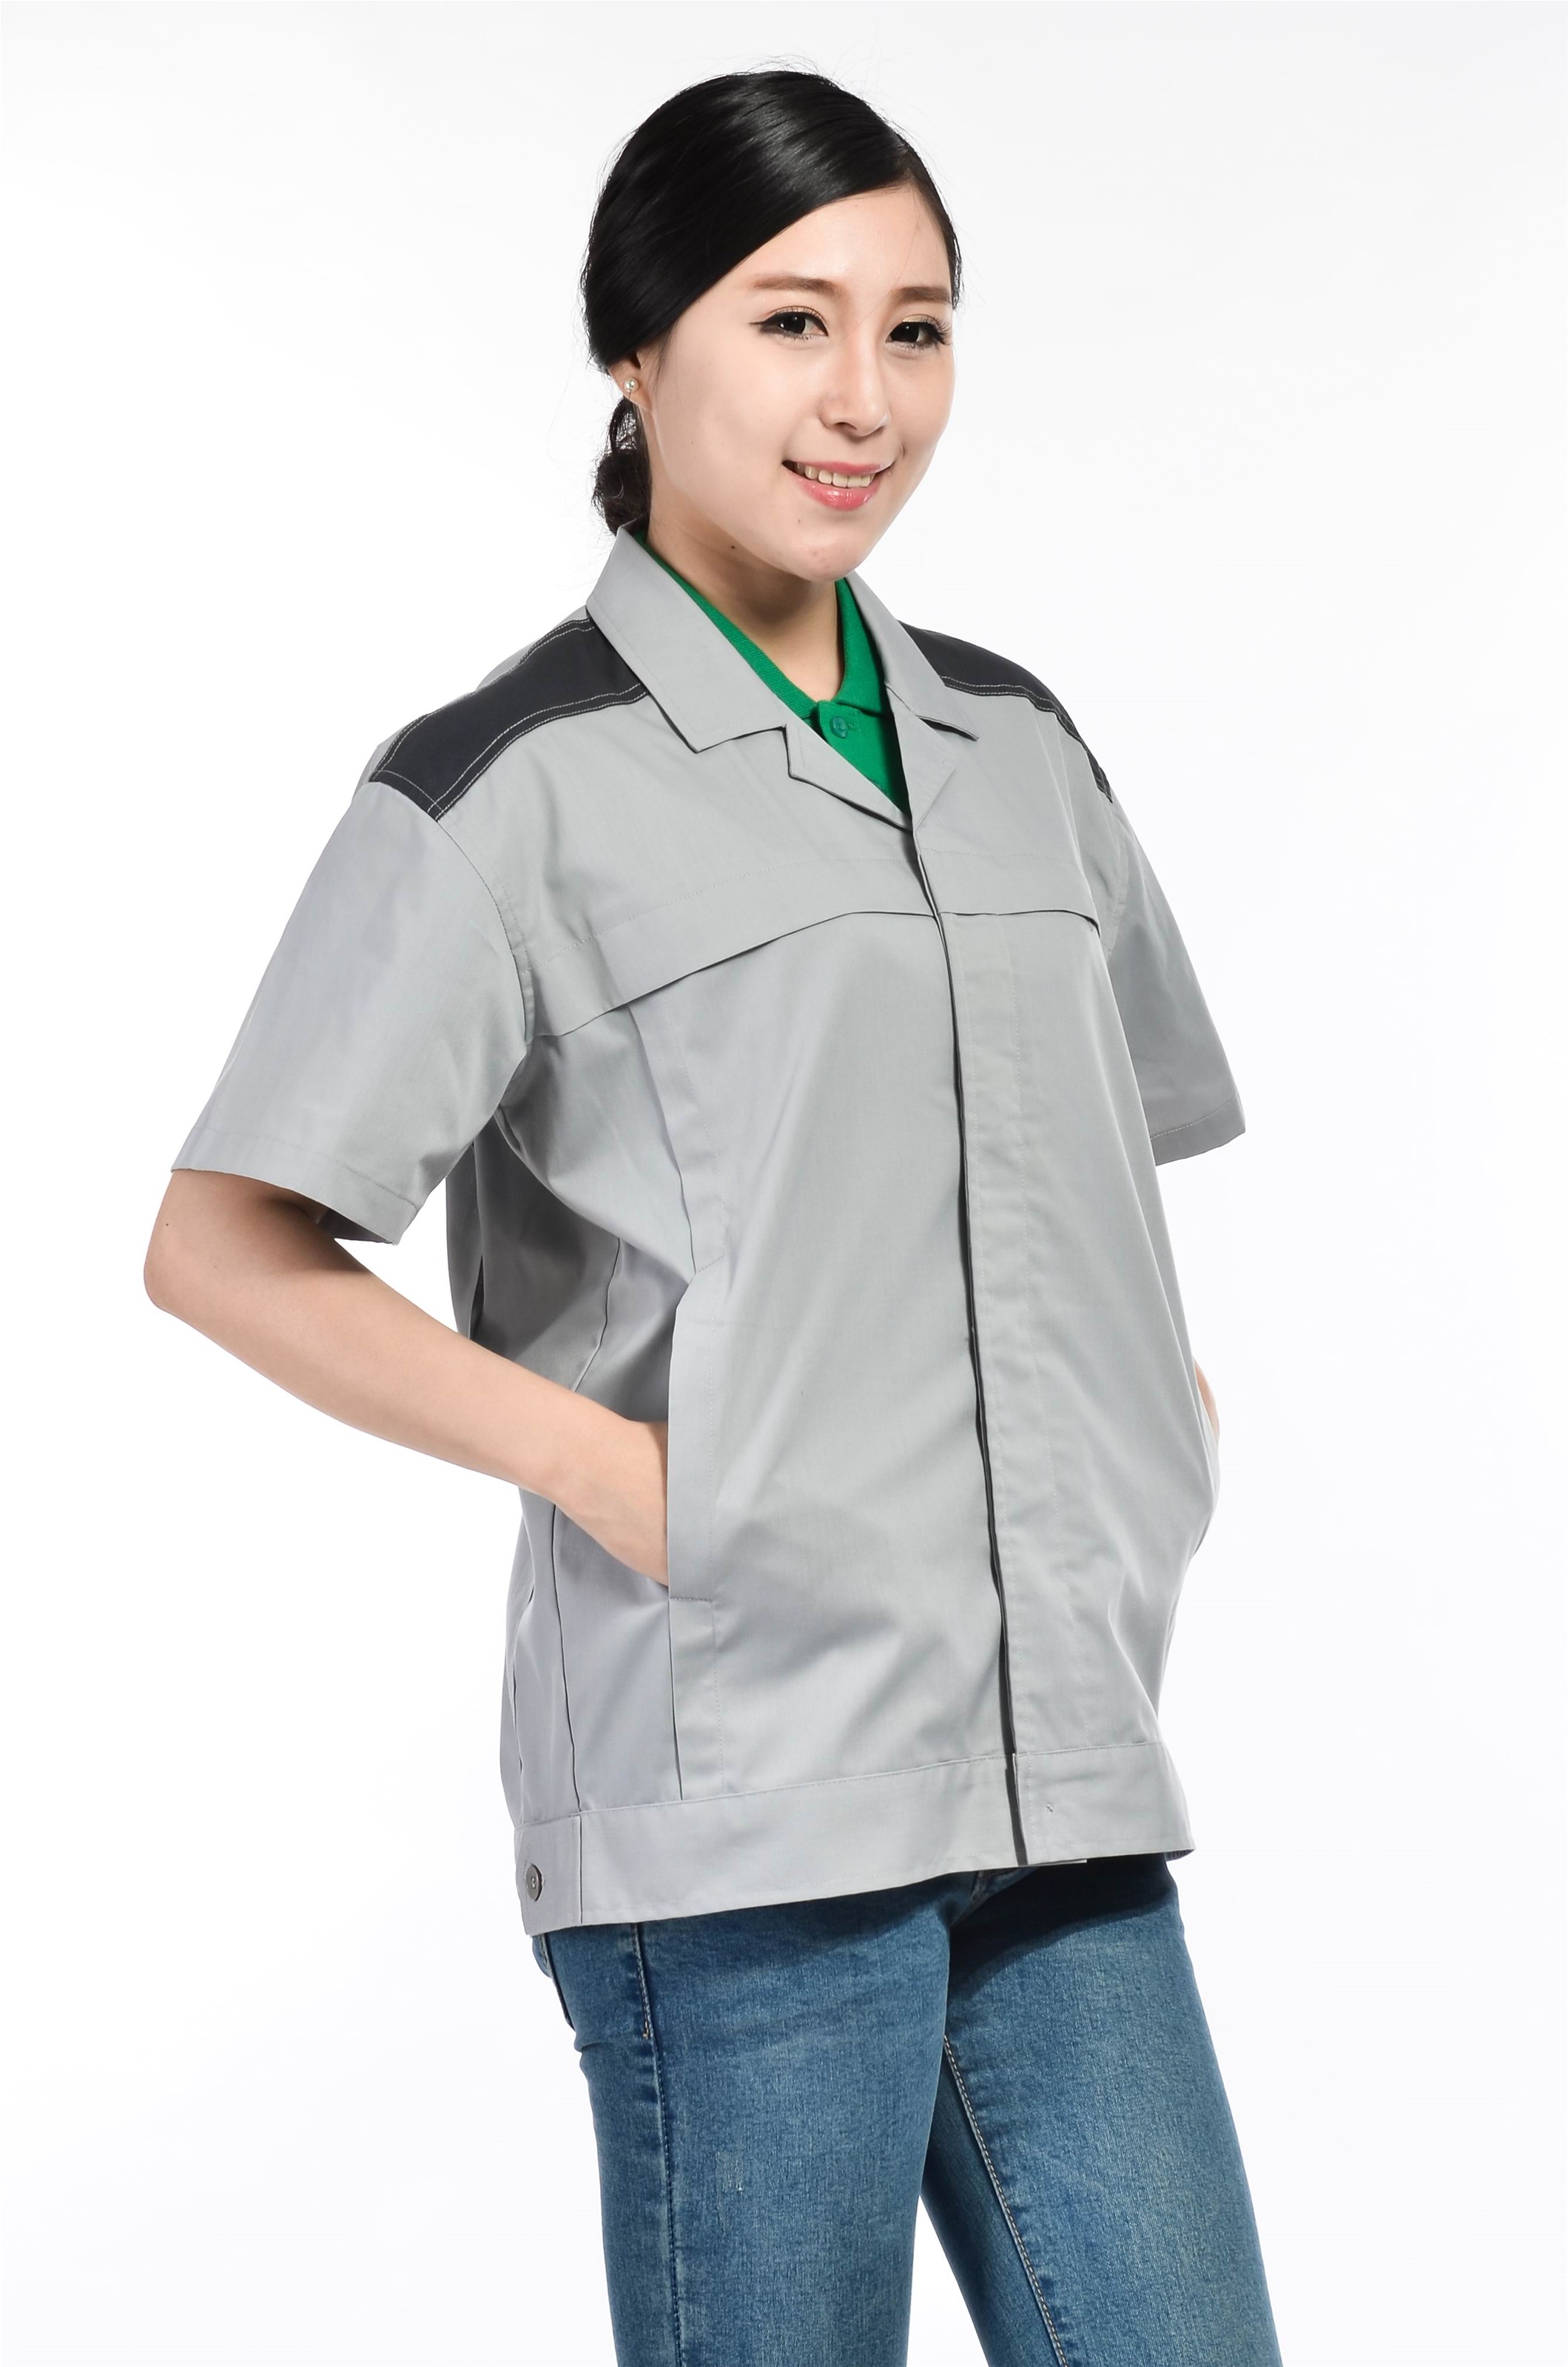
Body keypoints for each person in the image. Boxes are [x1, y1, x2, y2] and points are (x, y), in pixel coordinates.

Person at [144, 63, 1284, 2367]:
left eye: (916, 330)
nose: (863, 399)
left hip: (1063, 1777)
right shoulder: (509, 789)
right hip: (740, 1816)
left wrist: (1156, 1420)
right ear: (638, 348)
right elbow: (221, 1241)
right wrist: (620, 1474)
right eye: (791, 322)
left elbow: (1102, 1157)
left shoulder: (1021, 751)